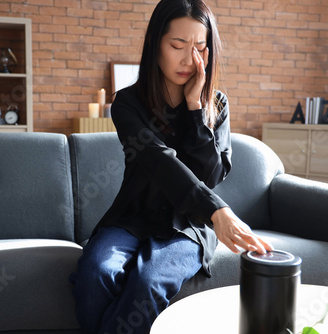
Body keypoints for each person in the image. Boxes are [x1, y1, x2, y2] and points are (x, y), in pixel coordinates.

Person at [70, 1, 273, 333]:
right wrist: (218, 211)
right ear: (156, 45)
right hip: (132, 217)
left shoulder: (216, 105)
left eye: (200, 47)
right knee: (96, 273)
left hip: (189, 225)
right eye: (178, 45)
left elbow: (210, 175)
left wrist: (195, 108)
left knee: (147, 282)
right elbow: (156, 157)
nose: (189, 58)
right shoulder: (128, 103)